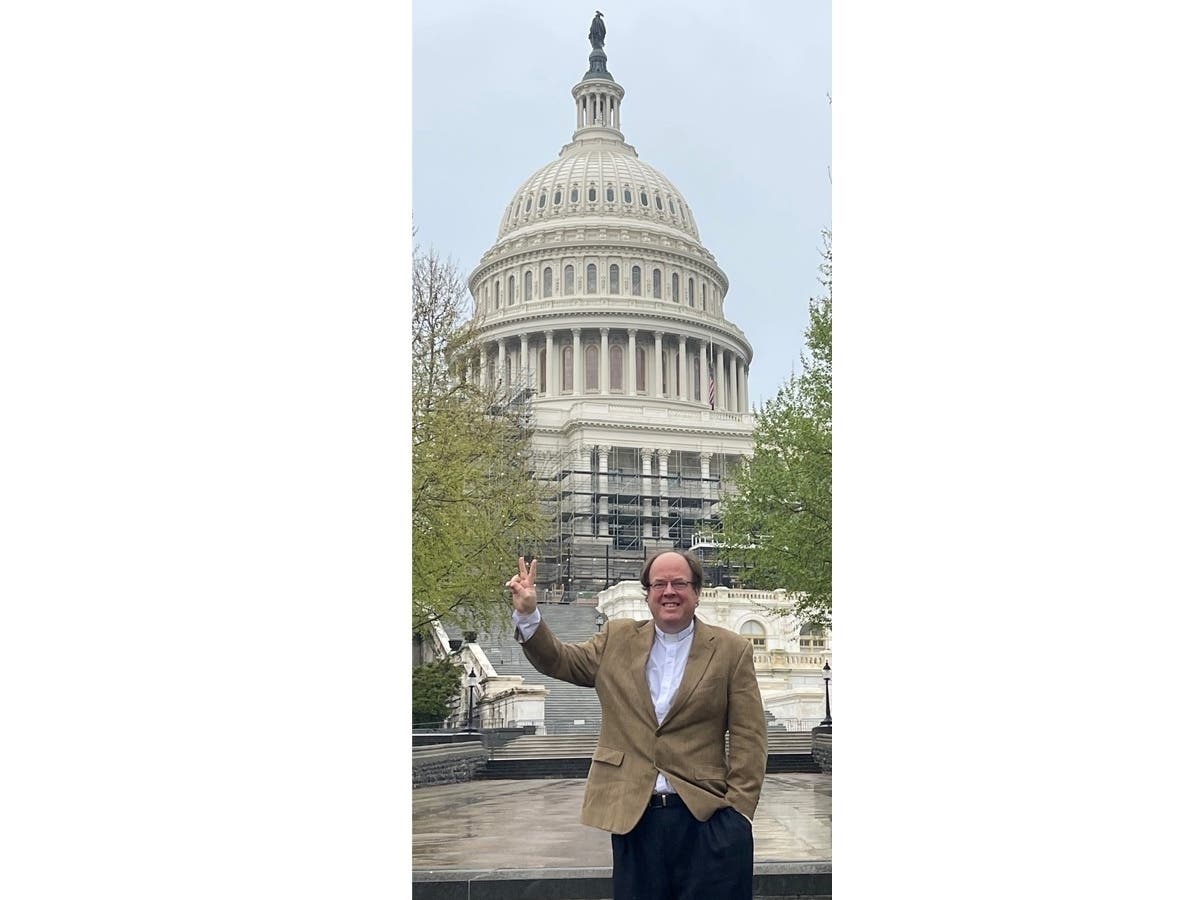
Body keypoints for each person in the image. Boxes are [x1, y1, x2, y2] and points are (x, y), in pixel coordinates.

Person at [507, 550, 767, 900]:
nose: (669, 592)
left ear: (697, 592)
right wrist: (528, 615)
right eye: (659, 584)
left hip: (707, 818)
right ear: (647, 594)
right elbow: (559, 660)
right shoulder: (616, 639)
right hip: (635, 818)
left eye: (679, 583)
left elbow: (749, 736)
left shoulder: (731, 650)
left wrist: (739, 814)